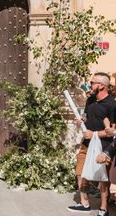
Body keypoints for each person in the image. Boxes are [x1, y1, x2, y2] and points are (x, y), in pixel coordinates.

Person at [68, 72, 116, 216]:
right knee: (80, 172)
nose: (90, 85)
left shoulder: (112, 105)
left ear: (101, 86)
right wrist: (82, 120)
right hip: (87, 144)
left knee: (103, 179)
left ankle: (103, 209)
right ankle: (85, 203)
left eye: (92, 82)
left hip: (104, 146)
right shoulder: (91, 100)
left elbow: (113, 131)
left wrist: (94, 134)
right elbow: (89, 116)